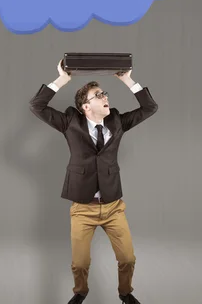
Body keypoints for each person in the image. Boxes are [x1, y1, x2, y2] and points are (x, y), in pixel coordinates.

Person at [29, 58, 158, 304]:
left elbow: (149, 108)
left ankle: (125, 293)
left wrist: (128, 80)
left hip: (113, 206)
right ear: (85, 107)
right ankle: (80, 292)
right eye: (98, 95)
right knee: (79, 263)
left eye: (104, 93)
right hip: (82, 208)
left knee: (128, 258)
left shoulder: (117, 121)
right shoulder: (70, 122)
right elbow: (37, 106)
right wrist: (62, 79)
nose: (105, 97)